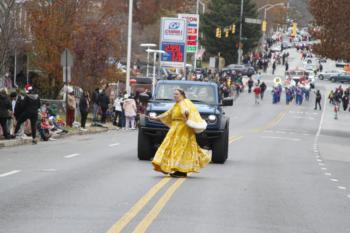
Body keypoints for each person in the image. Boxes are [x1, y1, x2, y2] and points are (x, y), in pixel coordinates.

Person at [151, 89, 211, 178]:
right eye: (174, 94)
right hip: (175, 129)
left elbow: (187, 111)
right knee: (169, 146)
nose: (175, 96)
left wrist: (186, 114)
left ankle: (181, 171)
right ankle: (166, 166)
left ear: (182, 94)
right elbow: (168, 113)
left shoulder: (185, 103)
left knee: (181, 149)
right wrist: (156, 118)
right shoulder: (176, 105)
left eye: (177, 94)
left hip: (184, 130)